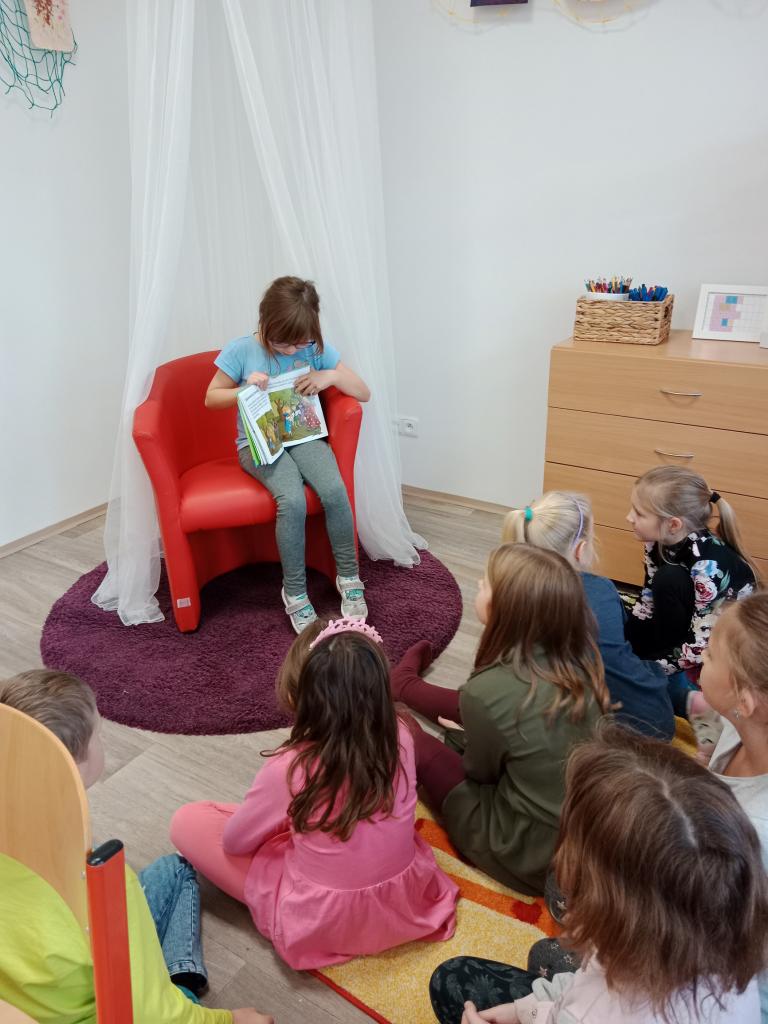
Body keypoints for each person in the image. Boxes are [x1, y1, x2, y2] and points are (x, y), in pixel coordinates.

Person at [429, 723, 767, 1024]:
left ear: (609, 907)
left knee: (451, 980)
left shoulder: (593, 1011)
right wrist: (526, 1010)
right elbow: (587, 979)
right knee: (545, 951)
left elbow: (585, 997)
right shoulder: (723, 931)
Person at [170, 619, 458, 970]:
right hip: (405, 902)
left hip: (324, 920)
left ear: (300, 698)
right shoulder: (401, 733)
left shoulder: (290, 767)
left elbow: (234, 843)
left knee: (188, 821)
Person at [0, 669, 271, 1024]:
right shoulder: (102, 883)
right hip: (115, 1013)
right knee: (178, 870)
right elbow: (148, 1013)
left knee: (170, 871)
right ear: (74, 765)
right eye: (98, 734)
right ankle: (181, 980)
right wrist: (228, 1020)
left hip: (30, 1002)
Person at [392, 544, 611, 894]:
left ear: (505, 609)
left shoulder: (490, 689)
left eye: (485, 584)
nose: (479, 585)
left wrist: (468, 739)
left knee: (408, 733)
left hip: (526, 850)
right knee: (467, 718)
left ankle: (401, 687)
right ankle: (405, 684)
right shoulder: (580, 659)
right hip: (585, 834)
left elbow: (480, 774)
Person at [205, 276, 371, 633]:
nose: (294, 351)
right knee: (292, 500)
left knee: (335, 491)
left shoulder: (312, 347)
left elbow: (363, 391)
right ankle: (294, 591)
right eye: (284, 343)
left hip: (303, 437)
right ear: (265, 323)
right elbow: (211, 397)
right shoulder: (240, 350)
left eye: (301, 343)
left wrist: (328, 376)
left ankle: (348, 576)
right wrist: (243, 389)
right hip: (258, 443)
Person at [502, 491, 674, 739]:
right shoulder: (600, 590)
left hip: (568, 721)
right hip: (646, 725)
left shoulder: (515, 598)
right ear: (580, 549)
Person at [699, 592, 768, 1020]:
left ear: (745, 700)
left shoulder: (753, 829)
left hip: (727, 989)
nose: (699, 658)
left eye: (708, 654)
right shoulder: (741, 724)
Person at [625, 466, 756, 677]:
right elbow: (648, 598)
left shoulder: (707, 568)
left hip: (721, 637)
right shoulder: (656, 540)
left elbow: (701, 644)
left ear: (673, 524)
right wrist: (628, 641)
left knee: (668, 578)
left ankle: (677, 674)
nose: (629, 517)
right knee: (659, 588)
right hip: (692, 615)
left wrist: (650, 669)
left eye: (639, 513)